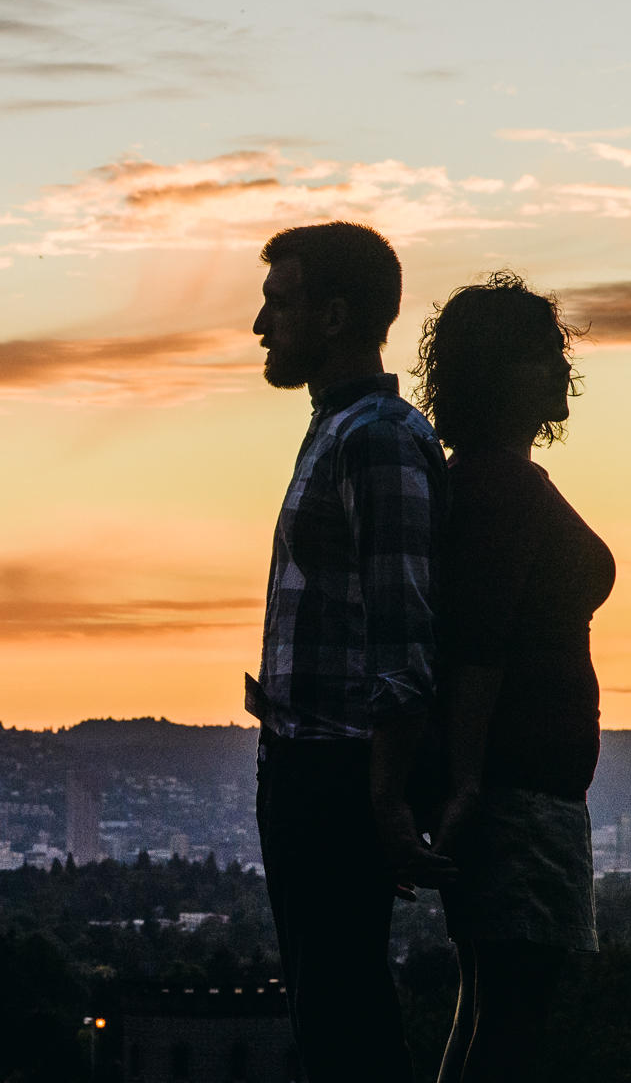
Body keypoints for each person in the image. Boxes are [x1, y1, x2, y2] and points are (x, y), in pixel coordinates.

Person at [247, 221, 455, 1083]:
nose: (261, 325)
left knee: (345, 1023)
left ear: (335, 315)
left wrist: (383, 798)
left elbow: (404, 632)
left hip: (335, 775)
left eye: (278, 302)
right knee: (329, 1012)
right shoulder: (338, 430)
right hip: (306, 762)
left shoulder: (373, 437)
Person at [413, 271, 610, 1083]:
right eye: (539, 355)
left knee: (488, 1003)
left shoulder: (488, 482)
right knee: (513, 1018)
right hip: (517, 801)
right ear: (497, 373)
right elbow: (478, 646)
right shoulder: (499, 486)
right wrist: (463, 781)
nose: (558, 370)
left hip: (514, 795)